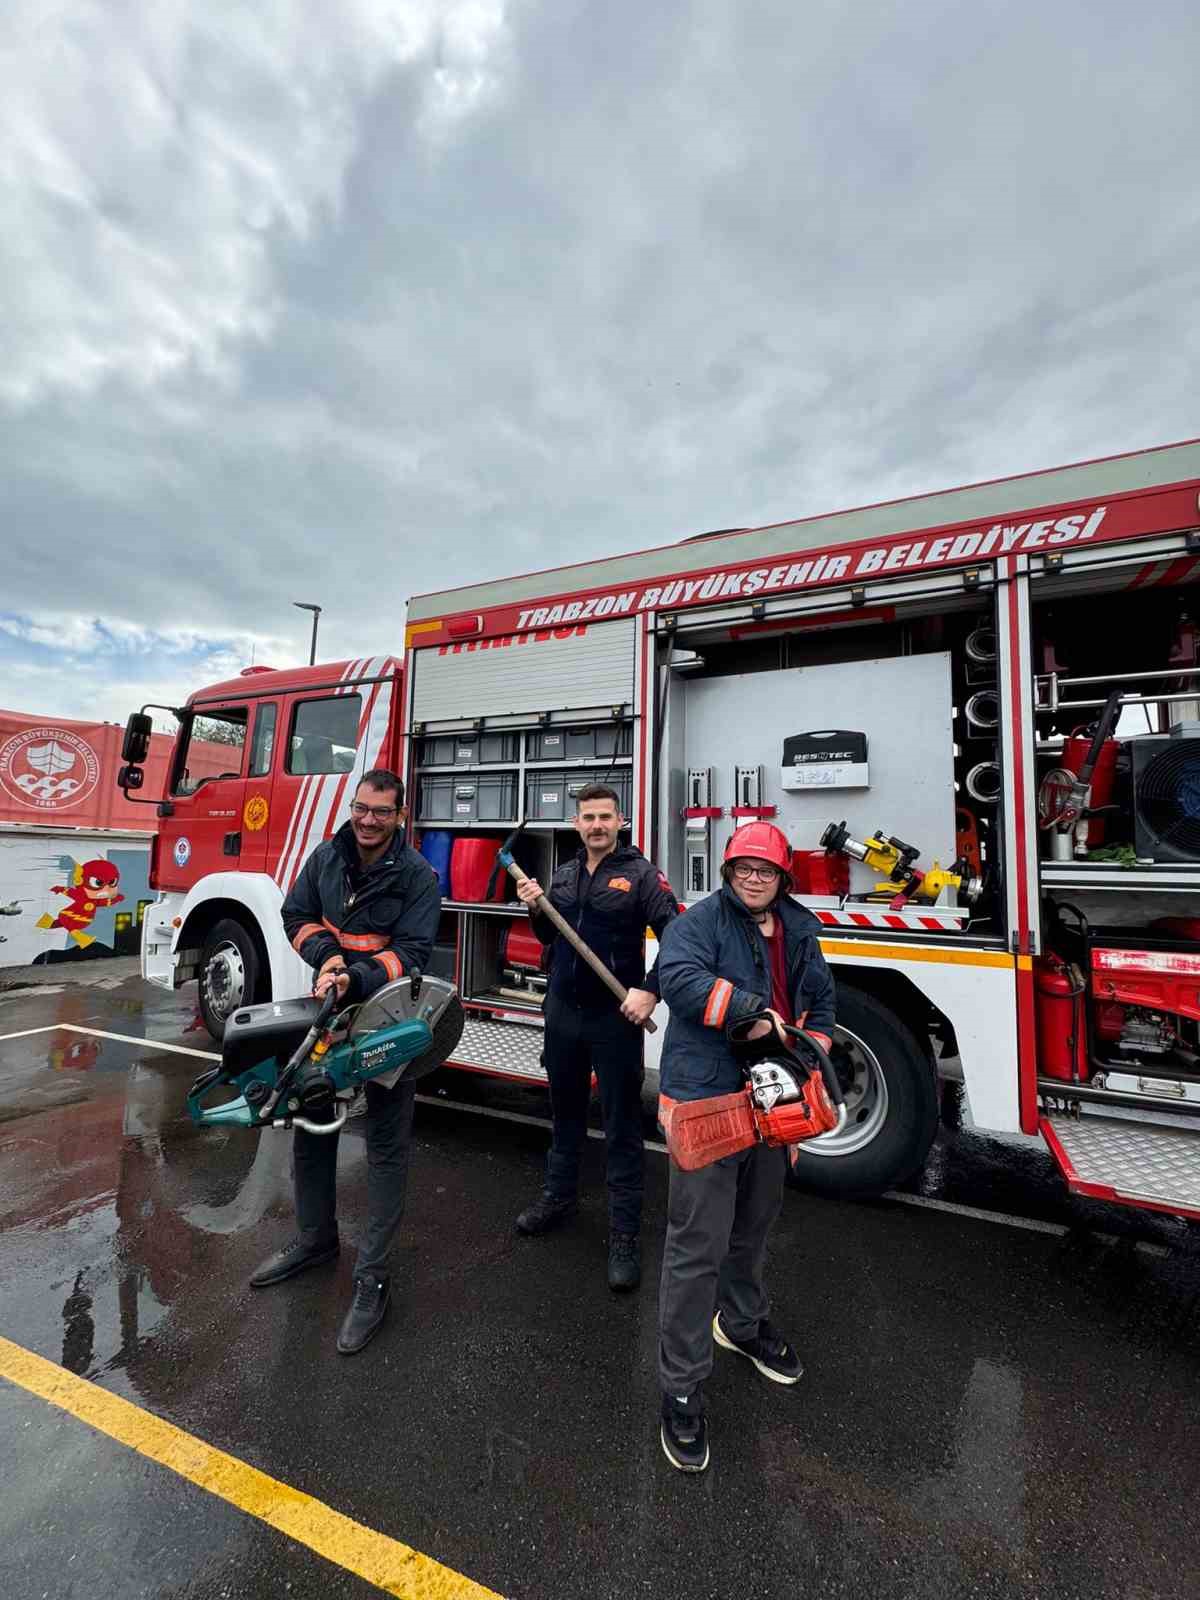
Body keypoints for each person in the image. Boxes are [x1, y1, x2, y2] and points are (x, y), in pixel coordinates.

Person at [654, 820, 835, 1472]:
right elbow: (677, 979)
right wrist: (752, 1013)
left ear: (783, 877)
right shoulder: (698, 924)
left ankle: (742, 1324)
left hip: (775, 1103)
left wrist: (805, 1086)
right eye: (743, 869)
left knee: (754, 1229)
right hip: (707, 1102)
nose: (754, 878)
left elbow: (820, 1010)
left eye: (766, 870)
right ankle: (680, 1385)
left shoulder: (802, 929)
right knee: (695, 1247)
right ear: (729, 873)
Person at [251, 769, 440, 1354]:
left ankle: (373, 1279)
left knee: (385, 1147)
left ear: (400, 816)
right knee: (312, 1123)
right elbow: (295, 915)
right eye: (361, 808)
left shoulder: (418, 877)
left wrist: (352, 976)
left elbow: (410, 953)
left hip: (384, 1021)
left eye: (381, 811)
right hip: (327, 1014)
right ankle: (316, 1240)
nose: (368, 820)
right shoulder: (326, 857)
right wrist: (327, 956)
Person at [513, 783, 679, 1290]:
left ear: (620, 820)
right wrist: (537, 908)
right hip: (563, 1013)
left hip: (614, 1021)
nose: (597, 825)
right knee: (563, 1112)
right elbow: (552, 939)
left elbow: (678, 940)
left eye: (605, 817)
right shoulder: (562, 875)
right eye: (588, 818)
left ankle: (624, 1233)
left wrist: (650, 991)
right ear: (577, 823)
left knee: (622, 1125)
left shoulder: (642, 875)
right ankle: (558, 1198)